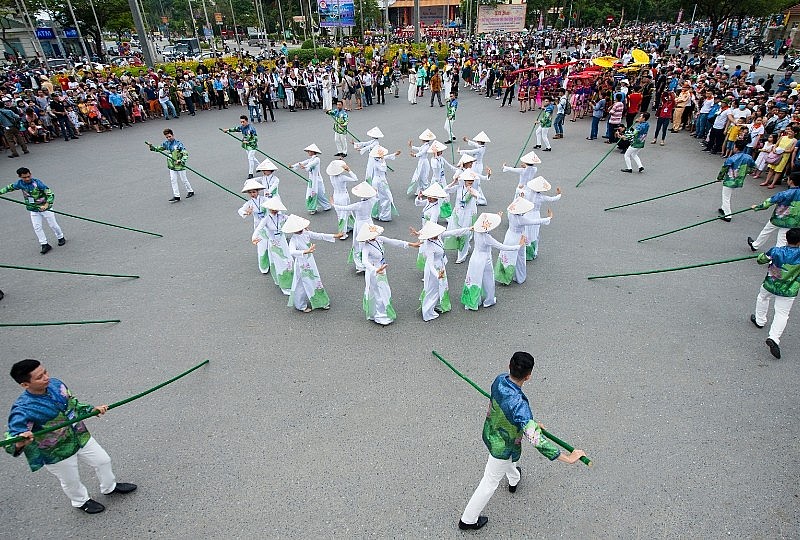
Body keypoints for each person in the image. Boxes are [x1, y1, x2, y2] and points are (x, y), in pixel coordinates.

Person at [459, 351, 586, 530]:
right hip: (503, 446)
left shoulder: (499, 379)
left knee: (509, 463)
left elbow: (509, 412)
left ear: (508, 366)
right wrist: (568, 457)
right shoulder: (520, 405)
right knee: (489, 482)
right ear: (529, 376)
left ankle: (513, 480)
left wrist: (529, 424)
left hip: (491, 433)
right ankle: (468, 520)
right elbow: (537, 441)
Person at [4, 359, 138, 514]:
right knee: (71, 480)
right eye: (40, 377)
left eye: (45, 372)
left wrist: (91, 409)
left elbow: (72, 403)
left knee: (103, 460)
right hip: (56, 450)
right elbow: (13, 437)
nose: (47, 377)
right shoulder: (22, 408)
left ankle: (110, 487)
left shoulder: (56, 384)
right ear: (25, 385)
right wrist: (21, 441)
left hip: (79, 435)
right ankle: (81, 501)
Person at [751, 228, 800, 359]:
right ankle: (774, 337)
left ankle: (760, 320)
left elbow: (761, 260)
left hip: (771, 283)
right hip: (789, 289)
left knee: (762, 297)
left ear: (787, 238)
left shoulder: (776, 250)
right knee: (782, 313)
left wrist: (762, 256)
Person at [357, 223, 419, 325]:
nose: (374, 236)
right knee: (378, 292)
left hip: (381, 269)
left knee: (384, 291)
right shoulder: (366, 247)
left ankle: (382, 312)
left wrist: (411, 244)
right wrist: (374, 270)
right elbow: (364, 261)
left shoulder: (379, 239)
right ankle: (380, 315)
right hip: (374, 271)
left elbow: (393, 242)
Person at [461, 212, 524, 311]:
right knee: (489, 280)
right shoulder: (487, 238)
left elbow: (463, 231)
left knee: (474, 279)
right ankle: (489, 300)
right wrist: (519, 246)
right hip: (485, 259)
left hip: (475, 258)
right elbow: (502, 246)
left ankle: (472, 302)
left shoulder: (476, 231)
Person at [409, 221, 469, 321]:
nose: (437, 234)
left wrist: (468, 228)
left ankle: (436, 305)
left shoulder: (438, 237)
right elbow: (430, 264)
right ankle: (427, 312)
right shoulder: (429, 246)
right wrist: (437, 275)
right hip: (434, 270)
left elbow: (453, 232)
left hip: (440, 267)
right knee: (432, 290)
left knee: (439, 288)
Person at [282, 214, 342, 312]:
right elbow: (291, 251)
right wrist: (305, 251)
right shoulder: (294, 239)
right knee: (301, 284)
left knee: (315, 280)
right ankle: (300, 305)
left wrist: (334, 236)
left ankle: (321, 302)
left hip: (310, 260)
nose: (300, 229)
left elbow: (319, 235)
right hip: (301, 264)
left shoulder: (306, 232)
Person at [0, 167, 66, 254]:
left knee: (53, 225)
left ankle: (60, 237)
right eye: (24, 177)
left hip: (45, 208)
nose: (27, 179)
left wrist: (46, 204)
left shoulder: (38, 183)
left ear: (30, 174)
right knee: (37, 227)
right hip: (33, 209)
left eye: (28, 176)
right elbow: (9, 188)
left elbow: (50, 194)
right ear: (20, 177)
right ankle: (44, 244)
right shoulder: (19, 184)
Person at [495, 199, 552, 285]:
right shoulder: (520, 219)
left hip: (509, 235)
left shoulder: (510, 214)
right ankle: (519, 277)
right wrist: (549, 218)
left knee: (507, 257)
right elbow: (535, 221)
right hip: (518, 238)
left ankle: (504, 277)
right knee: (520, 258)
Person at [333, 182, 378, 273]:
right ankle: (371, 260)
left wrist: (333, 204)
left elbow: (344, 208)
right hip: (369, 222)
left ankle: (361, 264)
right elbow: (375, 194)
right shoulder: (372, 200)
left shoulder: (358, 205)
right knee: (370, 241)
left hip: (360, 224)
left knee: (359, 243)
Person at [749, 172, 800, 251]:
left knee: (766, 231)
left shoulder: (784, 194)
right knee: (782, 239)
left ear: (791, 181)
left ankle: (755, 245)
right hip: (792, 221)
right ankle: (777, 257)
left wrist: (757, 207)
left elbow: (769, 202)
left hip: (778, 217)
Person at [252, 197, 293, 295]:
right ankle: (284, 286)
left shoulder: (282, 216)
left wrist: (303, 225)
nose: (274, 210)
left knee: (288, 261)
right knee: (279, 263)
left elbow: (293, 219)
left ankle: (290, 280)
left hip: (282, 242)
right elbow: (258, 229)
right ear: (269, 208)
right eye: (272, 208)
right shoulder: (266, 219)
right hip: (273, 243)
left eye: (276, 208)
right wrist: (254, 238)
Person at [149, 129, 194, 203]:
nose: (168, 138)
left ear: (173, 135)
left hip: (179, 165)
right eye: (167, 137)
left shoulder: (179, 144)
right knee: (173, 180)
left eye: (169, 136)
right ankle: (177, 196)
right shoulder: (166, 144)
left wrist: (181, 160)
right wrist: (151, 147)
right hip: (171, 166)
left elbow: (185, 154)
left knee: (183, 179)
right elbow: (158, 149)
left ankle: (190, 191)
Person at [717, 140, 756, 222]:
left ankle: (728, 215)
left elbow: (724, 169)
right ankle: (723, 208)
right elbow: (753, 167)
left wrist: (719, 177)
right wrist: (746, 172)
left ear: (736, 147)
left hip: (729, 180)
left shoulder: (731, 158)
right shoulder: (748, 157)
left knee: (726, 197)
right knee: (728, 195)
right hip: (739, 179)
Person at [237, 178, 270, 274]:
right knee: (261, 245)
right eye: (250, 192)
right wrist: (246, 212)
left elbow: (274, 206)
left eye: (254, 192)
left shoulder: (265, 200)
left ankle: (273, 263)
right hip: (259, 227)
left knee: (271, 244)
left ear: (258, 191)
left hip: (268, 224)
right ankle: (264, 266)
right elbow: (240, 210)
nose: (252, 194)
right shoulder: (249, 203)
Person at [292, 144, 331, 214]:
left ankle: (327, 205)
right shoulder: (310, 159)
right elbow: (302, 162)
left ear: (313, 152)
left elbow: (311, 164)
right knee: (311, 193)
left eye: (309, 151)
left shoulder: (317, 159)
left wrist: (305, 166)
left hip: (317, 180)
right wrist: (293, 166)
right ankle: (313, 208)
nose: (308, 153)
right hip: (312, 180)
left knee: (319, 194)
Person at [326, 159, 359, 238]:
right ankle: (343, 233)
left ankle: (349, 226)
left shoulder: (331, 177)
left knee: (340, 214)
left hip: (336, 196)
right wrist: (349, 170)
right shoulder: (342, 177)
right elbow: (355, 179)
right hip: (343, 196)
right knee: (345, 213)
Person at [370, 145, 401, 222]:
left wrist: (394, 154)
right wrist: (383, 159)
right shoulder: (377, 162)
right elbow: (383, 168)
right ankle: (384, 216)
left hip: (379, 180)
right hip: (380, 181)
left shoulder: (378, 159)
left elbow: (386, 157)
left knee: (378, 197)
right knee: (386, 198)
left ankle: (376, 213)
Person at [408, 129, 435, 194]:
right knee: (420, 176)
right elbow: (419, 149)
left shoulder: (427, 146)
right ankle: (420, 190)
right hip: (421, 162)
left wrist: (415, 155)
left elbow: (422, 152)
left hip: (424, 162)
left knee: (424, 177)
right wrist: (412, 146)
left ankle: (426, 190)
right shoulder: (424, 145)